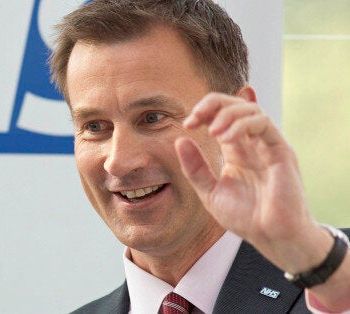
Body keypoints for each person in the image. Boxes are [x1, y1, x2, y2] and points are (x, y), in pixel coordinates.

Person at [48, 0, 350, 313]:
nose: (119, 161)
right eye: (95, 126)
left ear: (235, 116)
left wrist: (314, 260)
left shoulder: (332, 276)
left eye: (152, 118)